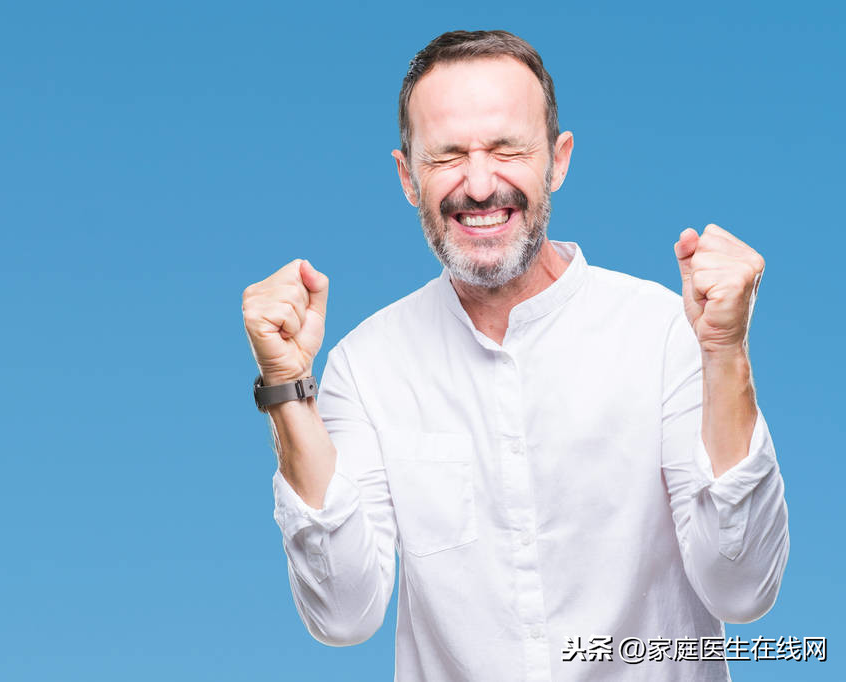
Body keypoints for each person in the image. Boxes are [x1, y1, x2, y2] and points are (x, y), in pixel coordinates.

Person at [241, 30, 789, 681]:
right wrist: (286, 385)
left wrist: (724, 351)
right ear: (406, 176)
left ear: (556, 161)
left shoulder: (665, 333)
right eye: (447, 155)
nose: (478, 184)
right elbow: (342, 613)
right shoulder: (367, 366)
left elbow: (742, 588)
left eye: (506, 148)